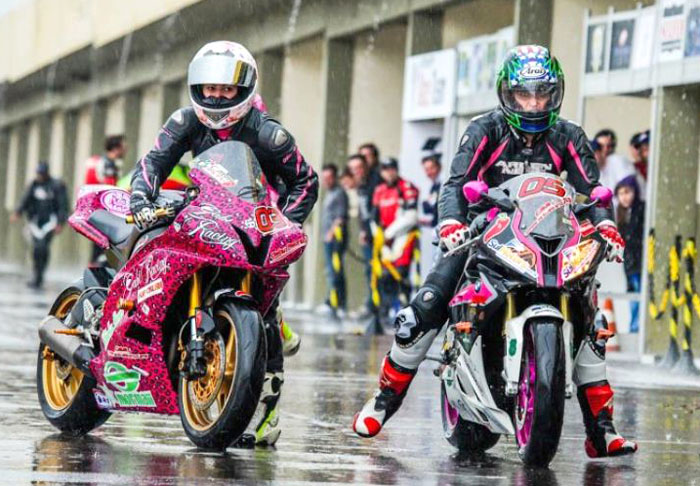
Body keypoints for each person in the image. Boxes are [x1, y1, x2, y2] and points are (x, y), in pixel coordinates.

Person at [353, 45, 637, 459]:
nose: (534, 103)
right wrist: (451, 223)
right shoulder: (484, 129)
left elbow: (593, 190)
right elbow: (456, 183)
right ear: (507, 93)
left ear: (556, 94)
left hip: (549, 238)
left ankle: (601, 429)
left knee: (590, 314)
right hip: (481, 232)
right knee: (428, 304)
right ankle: (384, 400)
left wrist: (606, 223)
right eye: (525, 94)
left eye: (543, 94)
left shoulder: (569, 135)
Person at [128, 40, 318, 446]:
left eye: (226, 90)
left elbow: (306, 181)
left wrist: (283, 220)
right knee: (150, 245)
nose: (215, 96)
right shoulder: (183, 121)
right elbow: (151, 164)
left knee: (264, 312)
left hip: (252, 221)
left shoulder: (270, 134)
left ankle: (268, 409)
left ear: (244, 89)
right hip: (199, 212)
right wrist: (142, 200)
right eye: (209, 88)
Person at [370, 158, 419, 328]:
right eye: (385, 169)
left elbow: (412, 216)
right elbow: (374, 218)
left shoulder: (406, 187)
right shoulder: (379, 190)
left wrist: (390, 233)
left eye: (392, 169)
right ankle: (387, 313)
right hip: (384, 241)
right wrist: (379, 237)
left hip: (403, 238)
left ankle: (405, 313)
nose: (389, 172)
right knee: (384, 277)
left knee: (401, 275)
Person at [11, 162, 68, 289]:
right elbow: (25, 199)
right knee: (37, 248)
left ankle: (40, 275)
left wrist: (60, 223)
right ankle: (37, 274)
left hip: (50, 223)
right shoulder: (34, 185)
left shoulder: (56, 186)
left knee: (43, 247)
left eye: (42, 174)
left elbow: (63, 205)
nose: (40, 176)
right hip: (35, 222)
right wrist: (17, 212)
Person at [86, 135, 126, 265]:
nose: (126, 149)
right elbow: (111, 189)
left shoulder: (102, 162)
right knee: (105, 249)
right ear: (116, 148)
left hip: (95, 210)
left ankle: (92, 275)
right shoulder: (109, 164)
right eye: (123, 146)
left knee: (97, 249)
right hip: (104, 213)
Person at [348, 153, 378, 320]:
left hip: (379, 233)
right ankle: (371, 304)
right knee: (369, 270)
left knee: (380, 270)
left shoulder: (375, 181)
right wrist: (362, 230)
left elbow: (375, 208)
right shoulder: (361, 185)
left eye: (358, 168)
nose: (356, 171)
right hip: (367, 233)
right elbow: (362, 210)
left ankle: (378, 307)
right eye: (353, 169)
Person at [615, 176, 645, 334]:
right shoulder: (622, 213)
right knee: (633, 295)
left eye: (627, 192)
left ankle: (636, 328)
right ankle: (634, 327)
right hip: (630, 263)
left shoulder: (641, 210)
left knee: (638, 295)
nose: (624, 197)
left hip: (640, 262)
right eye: (620, 194)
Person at [321, 163, 349, 319]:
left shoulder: (339, 193)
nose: (327, 181)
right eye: (325, 178)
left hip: (335, 239)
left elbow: (340, 217)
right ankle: (331, 300)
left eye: (329, 178)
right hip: (328, 238)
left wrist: (331, 232)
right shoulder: (330, 193)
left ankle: (338, 303)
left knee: (336, 271)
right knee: (331, 271)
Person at [419, 154, 442, 228]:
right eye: (426, 170)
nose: (429, 172)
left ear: (439, 167)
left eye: (432, 168)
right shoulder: (433, 187)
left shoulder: (444, 184)